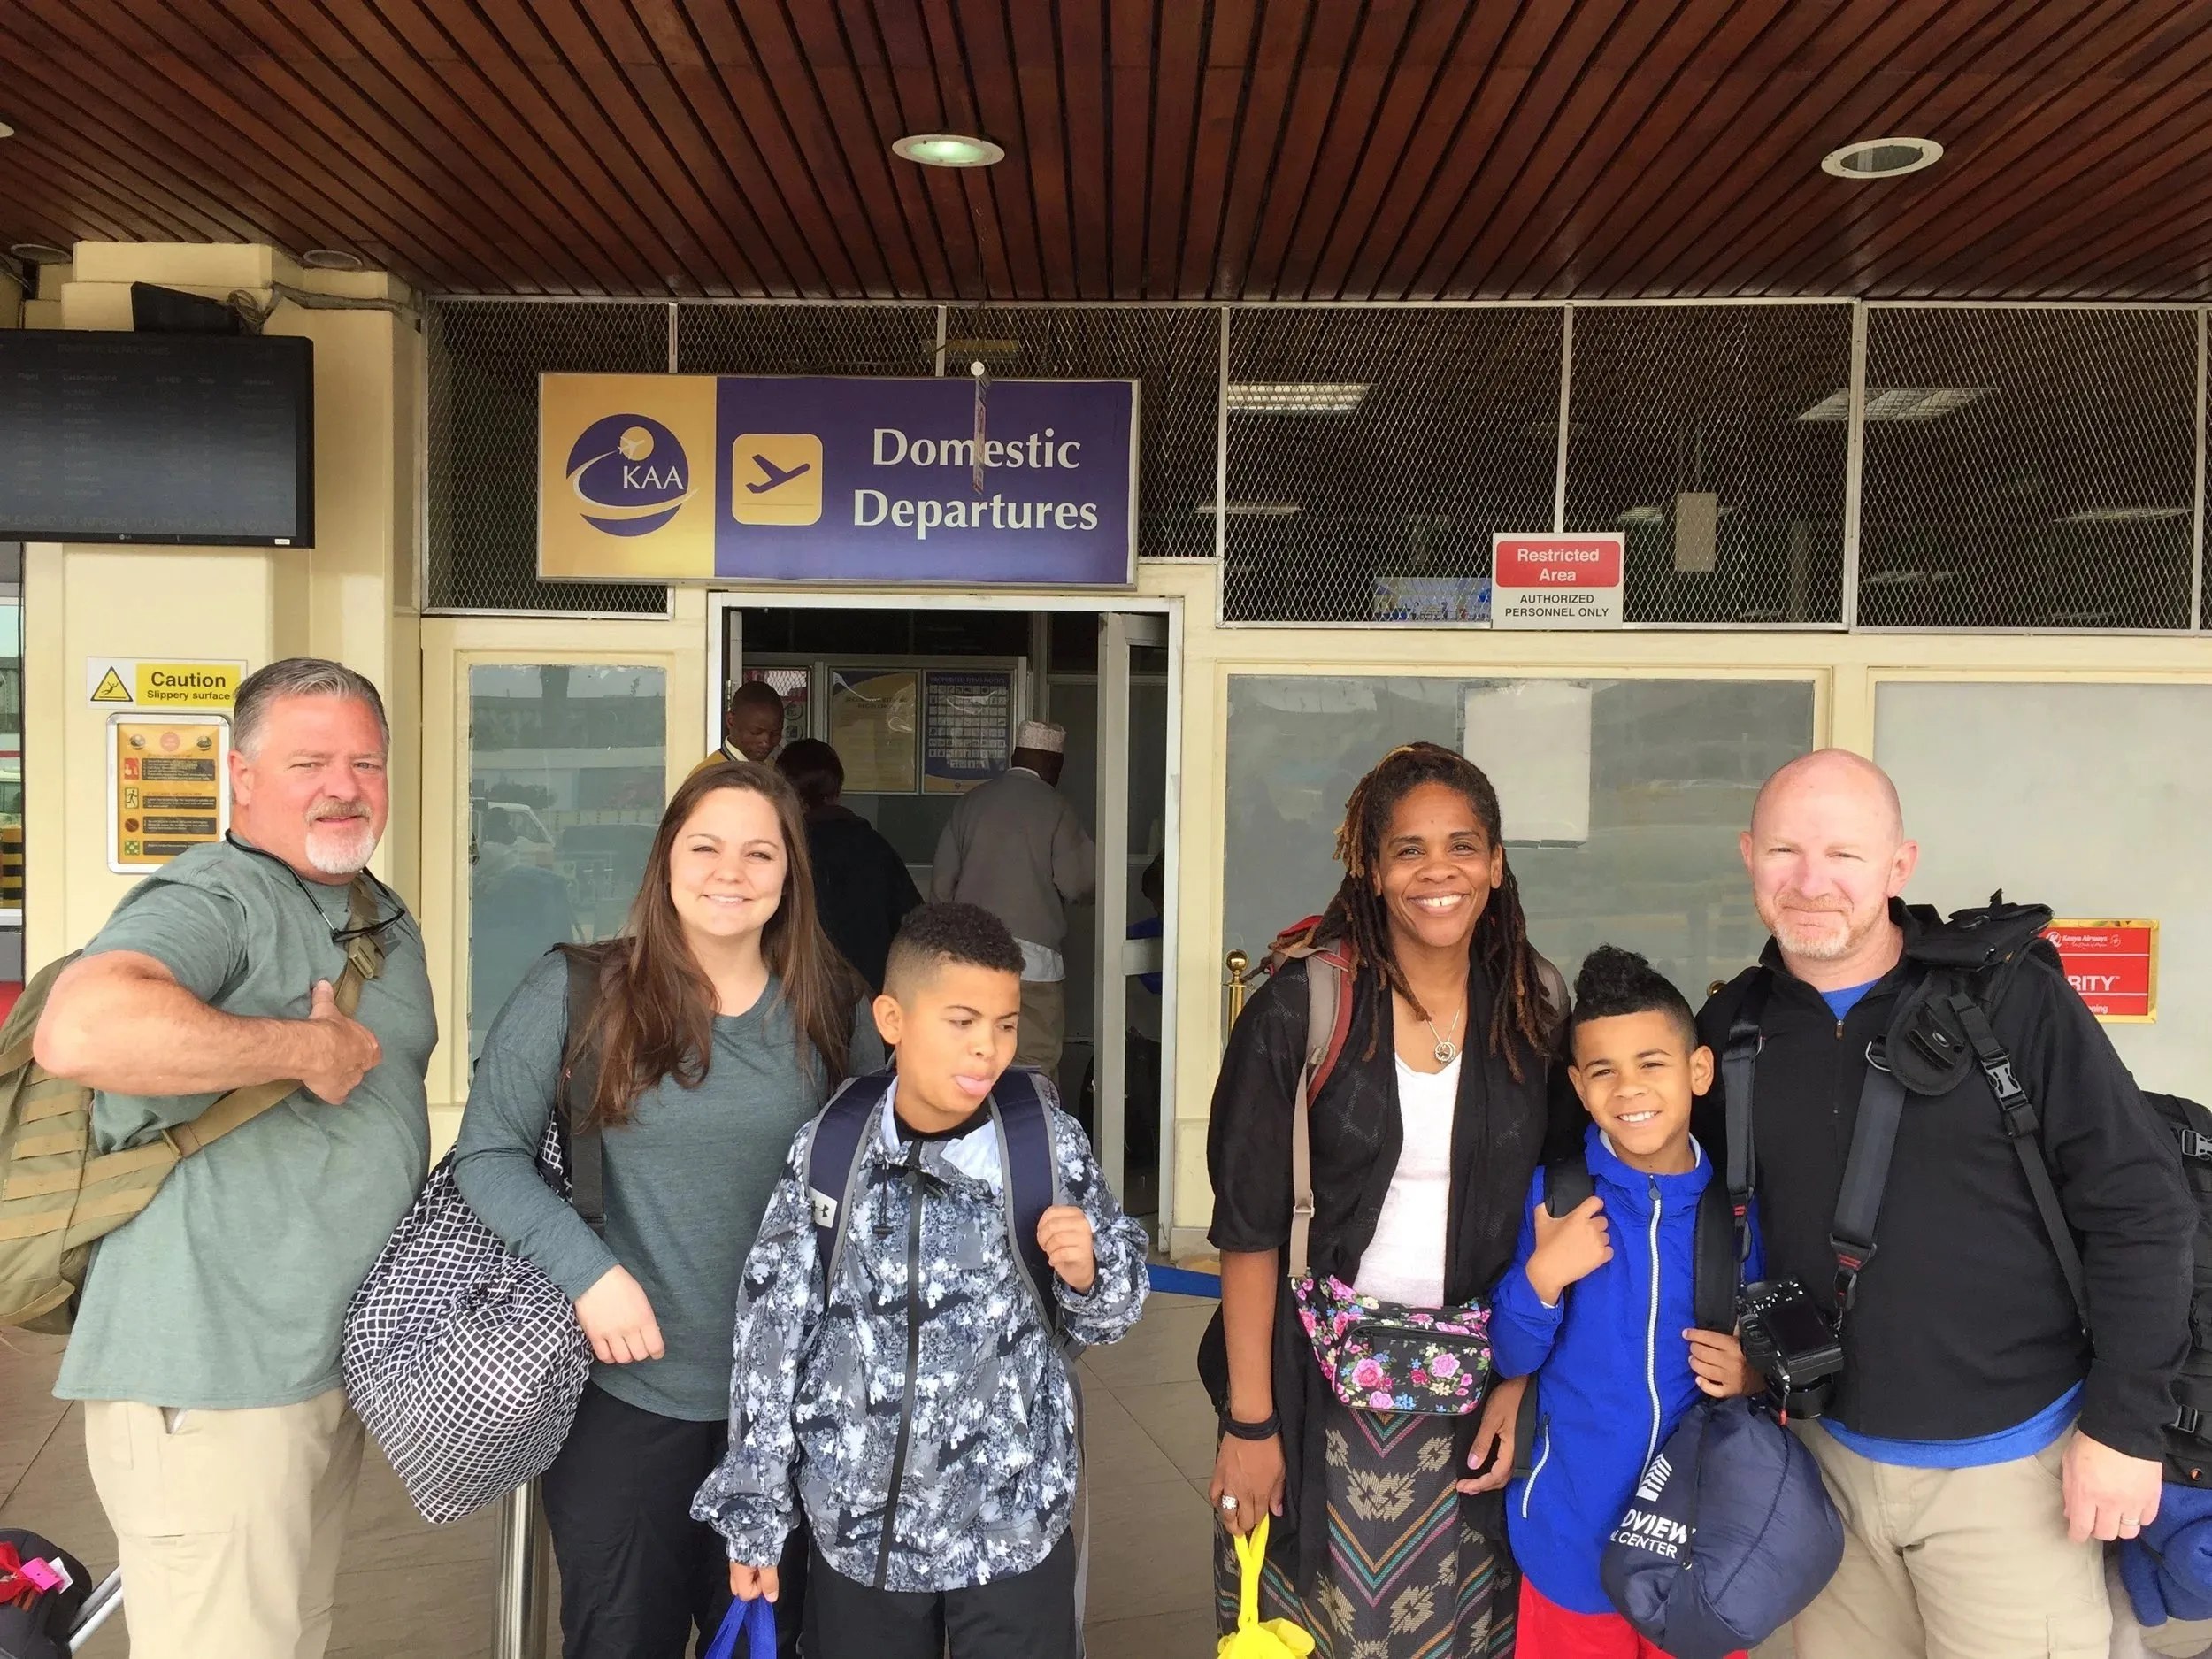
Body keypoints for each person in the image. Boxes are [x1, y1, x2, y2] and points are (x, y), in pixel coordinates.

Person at [1694, 748, 2193, 1659]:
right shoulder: (1732, 1033)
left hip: (2011, 1474)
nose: (1810, 882)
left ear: (1898, 866)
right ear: (1747, 856)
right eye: (1783, 852)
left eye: (1842, 855)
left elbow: (2142, 1209)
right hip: (1822, 1470)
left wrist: (2126, 1428)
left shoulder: (2009, 1003)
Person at [32, 657, 434, 1659]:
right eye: (308, 761)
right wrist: (303, 1048)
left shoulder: (371, 909)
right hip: (211, 1381)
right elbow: (82, 1028)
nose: (343, 786)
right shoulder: (219, 893)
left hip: (308, 1370)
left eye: (365, 762)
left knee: (290, 1637)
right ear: (240, 777)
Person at [454, 758, 881, 1659]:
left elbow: (894, 1179)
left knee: (773, 1641)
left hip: (793, 1415)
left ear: (790, 874)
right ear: (666, 859)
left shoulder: (836, 1009)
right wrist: (589, 1274)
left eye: (760, 853)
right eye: (707, 847)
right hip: (626, 1403)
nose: (731, 872)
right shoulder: (579, 992)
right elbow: (485, 1155)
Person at [694, 901, 1149, 1659]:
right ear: (892, 1019)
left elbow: (1112, 1312)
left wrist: (1093, 1268)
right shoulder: (834, 1149)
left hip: (1013, 1527)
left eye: (1006, 1024)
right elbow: (772, 1335)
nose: (988, 1049)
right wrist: (757, 1513)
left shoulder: (1043, 1142)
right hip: (862, 1534)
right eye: (962, 1021)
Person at [1204, 741, 1563, 1659]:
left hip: (1477, 1388)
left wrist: (1520, 1390)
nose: (1437, 871)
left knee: (1472, 1625)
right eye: (1408, 849)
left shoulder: (1532, 1004)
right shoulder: (1300, 1009)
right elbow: (1246, 1233)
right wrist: (1251, 1424)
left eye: (1462, 845)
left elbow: (1550, 1218)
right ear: (1369, 865)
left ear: (1495, 862)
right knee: (1318, 1623)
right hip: (1317, 1385)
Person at [1492, 945, 1762, 1658]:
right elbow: (1512, 1353)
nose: (1629, 1088)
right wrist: (1544, 1276)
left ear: (1698, 1070)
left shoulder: (1732, 1217)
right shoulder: (1558, 1198)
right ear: (1579, 1087)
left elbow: (1770, 1358)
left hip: (1697, 1550)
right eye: (1603, 1071)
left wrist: (1751, 1375)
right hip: (1569, 1546)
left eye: (1652, 1063)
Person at [929, 720, 1094, 1076]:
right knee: (1033, 1064)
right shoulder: (1056, 807)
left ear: (1016, 756)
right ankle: (1030, 1129)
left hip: (968, 957)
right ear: (1054, 765)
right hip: (1034, 962)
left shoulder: (970, 803)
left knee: (972, 1059)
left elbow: (942, 888)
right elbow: (1080, 883)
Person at [775, 737, 921, 992]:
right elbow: (914, 916)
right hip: (870, 992)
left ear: (784, 794)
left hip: (801, 994)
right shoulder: (874, 846)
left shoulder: (783, 851)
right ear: (838, 791)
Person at [710, 679, 787, 768]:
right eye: (756, 732)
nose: (766, 742)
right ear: (731, 721)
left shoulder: (771, 769)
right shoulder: (711, 775)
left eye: (775, 733)